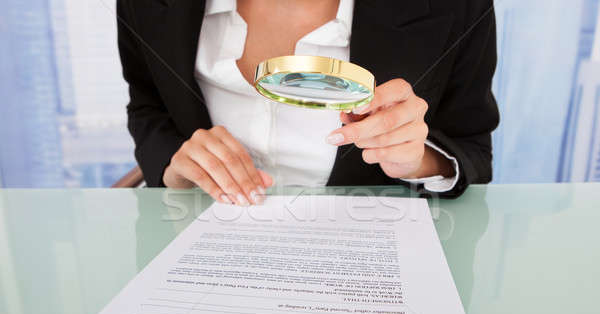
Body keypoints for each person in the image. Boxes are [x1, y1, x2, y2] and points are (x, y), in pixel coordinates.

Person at [117, 0, 499, 204]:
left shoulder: (456, 6)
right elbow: (147, 105)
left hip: (366, 262)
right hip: (201, 239)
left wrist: (418, 160)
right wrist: (174, 167)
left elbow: (473, 149)